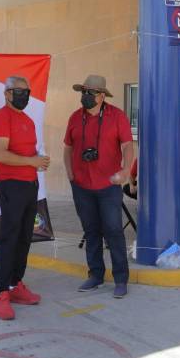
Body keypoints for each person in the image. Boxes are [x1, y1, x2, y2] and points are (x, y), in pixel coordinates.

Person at [64, 74, 135, 299]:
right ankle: (95, 275)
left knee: (113, 231)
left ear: (102, 96)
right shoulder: (75, 117)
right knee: (91, 231)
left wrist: (125, 170)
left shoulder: (117, 116)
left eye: (89, 93)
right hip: (82, 186)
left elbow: (127, 146)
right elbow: (67, 147)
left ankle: (121, 279)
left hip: (108, 186)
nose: (84, 96)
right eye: (83, 92)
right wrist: (69, 173)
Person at [0, 76, 51, 320]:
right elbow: (0, 154)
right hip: (11, 186)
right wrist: (31, 161)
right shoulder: (1, 118)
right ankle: (1, 292)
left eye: (27, 91)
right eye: (19, 91)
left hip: (30, 185)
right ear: (7, 93)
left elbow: (29, 152)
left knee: (25, 238)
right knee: (9, 238)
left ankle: (16, 284)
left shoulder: (28, 120)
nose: (24, 95)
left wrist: (39, 161)